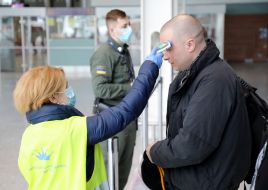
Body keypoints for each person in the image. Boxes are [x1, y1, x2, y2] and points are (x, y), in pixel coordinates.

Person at [13, 48, 163, 190]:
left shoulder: (29, 135)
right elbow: (125, 112)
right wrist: (149, 67)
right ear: (53, 97)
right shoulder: (75, 129)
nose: (69, 92)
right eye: (65, 87)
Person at [144, 14, 251, 190]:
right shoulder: (193, 73)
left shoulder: (215, 81)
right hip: (196, 178)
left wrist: (155, 152)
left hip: (206, 182)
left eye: (168, 48)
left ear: (190, 44)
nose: (164, 56)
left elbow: (192, 144)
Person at [90, 9, 136, 190]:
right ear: (111, 30)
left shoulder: (123, 51)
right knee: (110, 175)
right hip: (112, 122)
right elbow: (100, 88)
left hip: (127, 119)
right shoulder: (104, 53)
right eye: (124, 26)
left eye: (129, 25)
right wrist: (130, 89)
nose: (129, 29)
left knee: (122, 173)